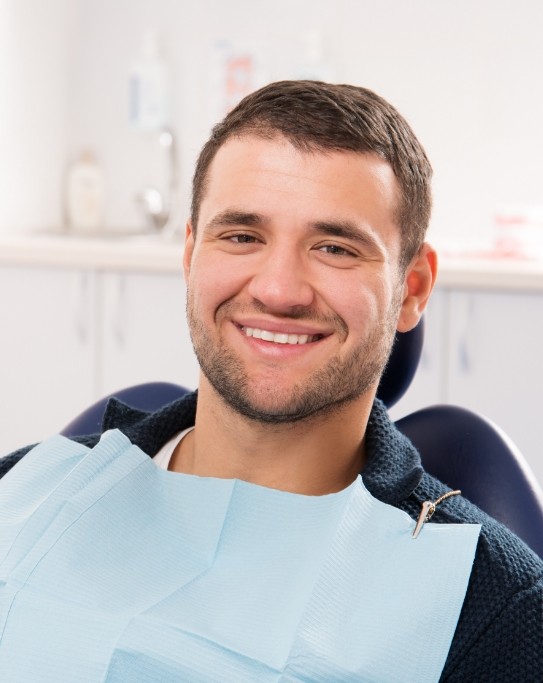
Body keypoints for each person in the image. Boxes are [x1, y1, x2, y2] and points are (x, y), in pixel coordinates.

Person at [0, 80, 542, 682]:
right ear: (190, 256)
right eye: (241, 237)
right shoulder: (24, 488)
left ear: (411, 288)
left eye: (335, 248)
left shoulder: (497, 610)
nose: (278, 290)